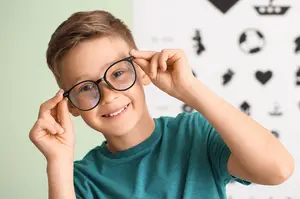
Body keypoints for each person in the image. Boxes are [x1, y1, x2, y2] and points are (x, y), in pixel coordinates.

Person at [29, 10, 294, 199]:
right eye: (86, 87)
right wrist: (58, 161)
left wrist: (190, 89)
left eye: (118, 73)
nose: (108, 95)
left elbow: (278, 169)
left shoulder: (194, 134)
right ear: (71, 105)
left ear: (142, 70)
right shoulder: (80, 181)